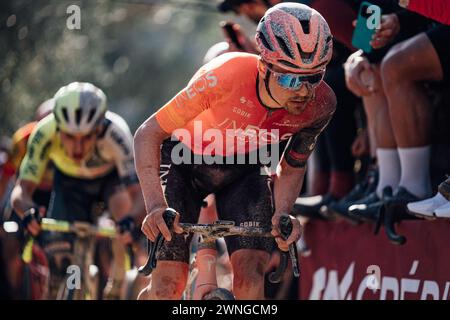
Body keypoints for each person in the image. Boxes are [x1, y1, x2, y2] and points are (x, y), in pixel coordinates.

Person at [135, 3, 336, 300]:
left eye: (313, 77)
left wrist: (282, 213)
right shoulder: (222, 76)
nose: (303, 91)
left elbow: (292, 166)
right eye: (289, 78)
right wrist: (154, 207)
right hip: (183, 163)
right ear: (264, 65)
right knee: (167, 286)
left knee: (251, 280)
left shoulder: (321, 105)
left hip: (245, 169)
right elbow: (147, 134)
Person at [10, 82, 146, 299]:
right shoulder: (44, 132)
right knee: (57, 253)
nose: (78, 148)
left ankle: (119, 280)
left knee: (124, 218)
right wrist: (29, 211)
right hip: (69, 184)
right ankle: (59, 284)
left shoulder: (116, 133)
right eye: (70, 137)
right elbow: (22, 190)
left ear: (99, 128)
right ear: (58, 128)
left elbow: (138, 195)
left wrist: (130, 220)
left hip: (109, 182)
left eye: (87, 137)